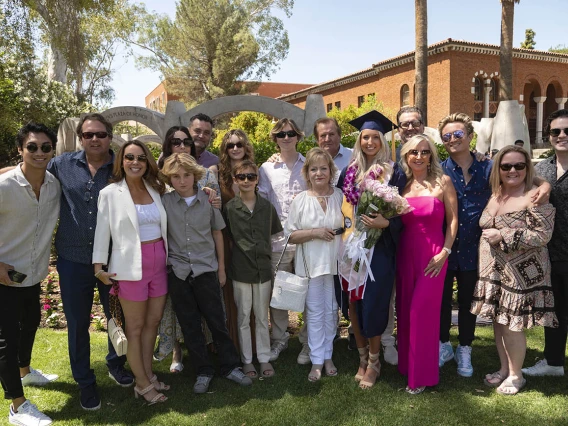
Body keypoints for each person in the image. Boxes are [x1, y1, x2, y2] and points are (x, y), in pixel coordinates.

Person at [438, 112, 551, 378]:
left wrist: (544, 185)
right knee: (442, 300)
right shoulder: (439, 169)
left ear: (469, 136)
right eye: (446, 136)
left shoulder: (490, 167)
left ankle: (465, 347)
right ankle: (443, 345)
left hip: (479, 249)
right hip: (445, 244)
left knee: (469, 301)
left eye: (458, 134)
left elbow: (526, 176)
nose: (453, 139)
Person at [48, 113, 133, 410]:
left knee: (116, 317)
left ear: (110, 137)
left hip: (113, 258)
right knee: (77, 323)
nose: (94, 139)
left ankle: (116, 363)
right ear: (80, 138)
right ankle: (85, 382)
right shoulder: (61, 165)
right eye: (88, 135)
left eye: (100, 134)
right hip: (72, 258)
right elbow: (32, 179)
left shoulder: (122, 166)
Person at [160, 153, 252, 394]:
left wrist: (221, 268)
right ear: (170, 178)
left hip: (206, 270)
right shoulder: (164, 202)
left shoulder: (206, 200)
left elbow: (217, 234)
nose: (182, 181)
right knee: (190, 325)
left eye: (187, 175)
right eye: (176, 177)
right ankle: (203, 371)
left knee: (217, 321)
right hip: (178, 272)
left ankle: (230, 366)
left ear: (195, 176)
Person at [471, 145, 557, 395]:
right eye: (506, 165)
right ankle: (505, 368)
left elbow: (543, 235)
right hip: (495, 272)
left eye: (519, 165)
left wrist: (504, 234)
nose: (512, 170)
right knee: (499, 322)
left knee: (512, 326)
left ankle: (517, 376)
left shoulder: (535, 195)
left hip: (521, 274)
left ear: (527, 168)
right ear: (498, 168)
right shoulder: (496, 193)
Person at [93, 140, 168, 405]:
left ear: (147, 162)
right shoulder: (110, 193)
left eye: (141, 158)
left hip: (159, 263)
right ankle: (142, 384)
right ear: (121, 162)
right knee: (134, 328)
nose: (135, 162)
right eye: (129, 157)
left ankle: (147, 374)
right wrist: (99, 267)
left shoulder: (156, 188)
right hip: (128, 266)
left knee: (153, 323)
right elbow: (102, 231)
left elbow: (185, 191)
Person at [338, 110, 407, 389]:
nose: (369, 142)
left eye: (375, 137)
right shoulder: (349, 171)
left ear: (382, 139)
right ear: (360, 140)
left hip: (379, 247)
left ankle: (375, 361)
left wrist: (385, 222)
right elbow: (341, 206)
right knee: (354, 301)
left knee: (375, 301)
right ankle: (362, 357)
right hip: (351, 245)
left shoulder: (394, 172)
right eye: (365, 137)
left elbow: (403, 210)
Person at [0, 123, 60, 426]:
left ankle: (25, 372)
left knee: (32, 322)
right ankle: (17, 406)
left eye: (45, 147)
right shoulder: (4, 186)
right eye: (32, 147)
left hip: (32, 273)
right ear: (20, 150)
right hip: (3, 275)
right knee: (6, 340)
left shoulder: (54, 184)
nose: (39, 152)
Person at [154, 125, 220, 373]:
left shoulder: (206, 179)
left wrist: (209, 196)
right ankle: (177, 353)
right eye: (175, 141)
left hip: (203, 258)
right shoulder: (161, 183)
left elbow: (215, 219)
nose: (181, 145)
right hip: (175, 260)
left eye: (186, 141)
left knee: (208, 311)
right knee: (178, 311)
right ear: (168, 145)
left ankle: (210, 353)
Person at [396, 134, 458, 394]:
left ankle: (421, 375)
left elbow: (454, 220)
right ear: (406, 157)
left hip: (434, 256)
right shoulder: (402, 185)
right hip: (406, 254)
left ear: (431, 155)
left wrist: (445, 251)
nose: (419, 156)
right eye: (413, 152)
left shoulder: (443, 182)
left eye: (424, 152)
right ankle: (409, 367)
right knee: (406, 311)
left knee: (422, 312)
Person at [285, 148, 343, 381]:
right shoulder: (300, 200)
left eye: (323, 168)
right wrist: (315, 232)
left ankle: (328, 355)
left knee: (331, 312)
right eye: (314, 168)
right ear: (307, 173)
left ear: (331, 171)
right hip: (311, 266)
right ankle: (317, 360)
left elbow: (349, 226)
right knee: (314, 314)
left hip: (336, 265)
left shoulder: (340, 196)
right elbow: (291, 235)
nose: (319, 173)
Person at [223, 160, 282, 379]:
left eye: (250, 176)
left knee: (261, 315)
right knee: (243, 316)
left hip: (263, 270)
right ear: (235, 181)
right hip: (240, 270)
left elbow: (274, 234)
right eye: (241, 177)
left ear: (257, 179)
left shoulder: (267, 207)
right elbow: (226, 238)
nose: (246, 181)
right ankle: (247, 360)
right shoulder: (229, 209)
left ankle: (264, 358)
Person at [258, 118, 308, 362]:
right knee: (278, 295)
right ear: (275, 139)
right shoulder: (266, 169)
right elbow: (262, 205)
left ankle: (308, 340)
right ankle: (279, 340)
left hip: (307, 242)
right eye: (280, 134)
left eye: (290, 133)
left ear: (298, 136)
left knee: (308, 292)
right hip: (277, 242)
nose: (286, 138)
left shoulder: (309, 165)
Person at [523, 109, 568, 377]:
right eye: (556, 131)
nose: (562, 135)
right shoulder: (541, 169)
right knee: (555, 309)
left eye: (567, 131)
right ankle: (553, 362)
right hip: (550, 253)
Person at [217, 130, 256, 351]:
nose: (235, 148)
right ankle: (231, 343)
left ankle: (251, 343)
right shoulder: (217, 173)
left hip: (249, 241)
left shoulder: (253, 171)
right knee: (229, 293)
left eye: (239, 144)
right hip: (225, 239)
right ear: (225, 149)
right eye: (230, 145)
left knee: (249, 295)